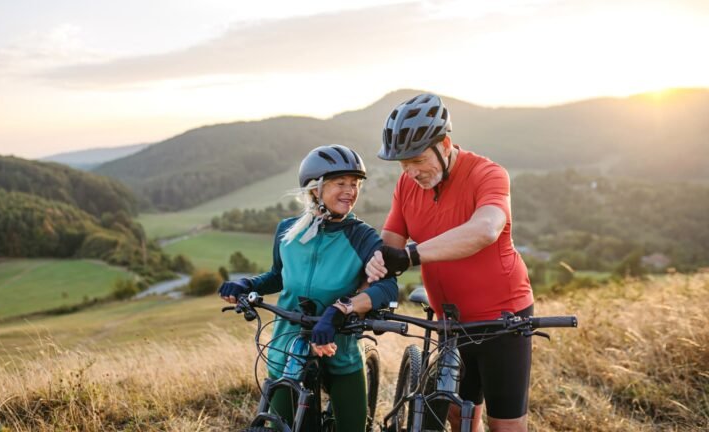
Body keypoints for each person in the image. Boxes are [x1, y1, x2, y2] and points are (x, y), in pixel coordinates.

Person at [365, 93, 534, 432]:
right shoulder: (406, 184)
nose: (412, 172)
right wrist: (371, 270)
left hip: (503, 320)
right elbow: (389, 246)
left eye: (418, 160)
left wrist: (412, 254)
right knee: (459, 416)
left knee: (505, 424)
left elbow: (486, 229)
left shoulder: (488, 174)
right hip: (451, 323)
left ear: (444, 144)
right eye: (403, 164)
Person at [219, 144, 398, 432]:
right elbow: (278, 276)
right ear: (316, 189)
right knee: (280, 425)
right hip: (288, 344)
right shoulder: (288, 231)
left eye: (354, 184)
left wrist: (340, 311)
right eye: (340, 183)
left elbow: (387, 287)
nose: (350, 191)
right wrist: (247, 284)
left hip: (339, 343)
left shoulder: (362, 236)